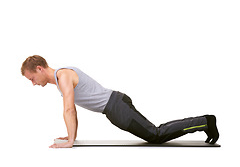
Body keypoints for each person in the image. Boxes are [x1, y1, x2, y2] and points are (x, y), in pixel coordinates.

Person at [21, 55, 219, 148]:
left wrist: (71, 141)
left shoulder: (63, 76)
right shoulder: (61, 80)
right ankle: (204, 122)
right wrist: (70, 136)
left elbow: (69, 110)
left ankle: (205, 122)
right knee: (153, 134)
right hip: (114, 107)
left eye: (31, 78)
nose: (33, 84)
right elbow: (71, 110)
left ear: (39, 68)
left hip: (116, 106)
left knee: (155, 135)